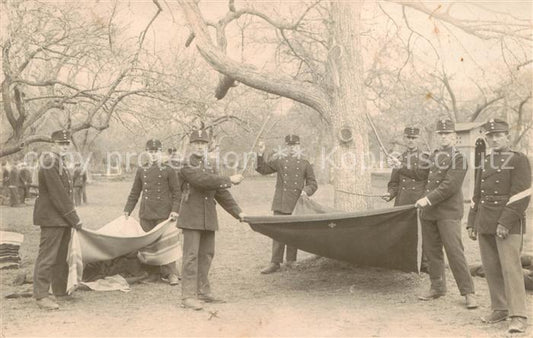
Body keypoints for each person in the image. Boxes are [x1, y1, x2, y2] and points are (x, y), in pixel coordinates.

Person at [467, 119, 531, 334]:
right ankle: (500, 308)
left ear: (508, 137)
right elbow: (477, 194)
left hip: (508, 223)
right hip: (485, 220)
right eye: (490, 136)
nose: (494, 139)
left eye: (498, 135)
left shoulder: (519, 160)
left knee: (511, 269)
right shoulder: (485, 160)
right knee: (491, 268)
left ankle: (518, 315)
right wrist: (471, 221)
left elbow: (522, 194)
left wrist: (505, 222)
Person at [177, 129, 245, 310]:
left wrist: (238, 213)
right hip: (191, 217)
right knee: (191, 256)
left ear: (208, 146)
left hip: (208, 217)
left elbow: (220, 192)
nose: (200, 146)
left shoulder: (211, 165)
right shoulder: (185, 164)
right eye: (197, 143)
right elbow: (203, 181)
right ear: (191, 146)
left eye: (203, 143)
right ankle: (188, 296)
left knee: (206, 255)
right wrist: (229, 178)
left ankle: (203, 292)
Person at [415, 119, 477, 309]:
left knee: (454, 252)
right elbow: (421, 177)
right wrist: (398, 163)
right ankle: (437, 287)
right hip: (429, 213)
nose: (443, 137)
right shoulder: (432, 156)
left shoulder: (459, 158)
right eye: (440, 134)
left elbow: (450, 186)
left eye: (447, 134)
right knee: (432, 252)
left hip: (448, 212)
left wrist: (428, 199)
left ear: (454, 137)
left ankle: (468, 293)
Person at [33, 129, 83, 310]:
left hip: (60, 218)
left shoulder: (59, 162)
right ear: (52, 144)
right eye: (60, 144)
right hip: (51, 218)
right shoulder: (49, 161)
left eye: (66, 143)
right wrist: (74, 218)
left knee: (61, 257)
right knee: (47, 257)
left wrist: (70, 218)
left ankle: (59, 290)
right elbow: (59, 195)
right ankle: (41, 296)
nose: (64, 147)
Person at [256, 134, 318, 274]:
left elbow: (313, 183)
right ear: (285, 147)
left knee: (294, 232)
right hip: (281, 201)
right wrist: (260, 153)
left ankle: (291, 261)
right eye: (289, 145)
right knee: (278, 232)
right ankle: (275, 262)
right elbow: (263, 170)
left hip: (296, 202)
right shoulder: (280, 161)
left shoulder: (305, 164)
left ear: (299, 146)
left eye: (295, 145)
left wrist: (306, 191)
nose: (292, 148)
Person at [123, 139, 181, 285]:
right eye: (151, 152)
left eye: (156, 151)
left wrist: (174, 211)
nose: (154, 155)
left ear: (161, 152)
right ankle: (151, 272)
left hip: (164, 213)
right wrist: (127, 210)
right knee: (147, 244)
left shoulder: (169, 170)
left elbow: (176, 193)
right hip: (146, 212)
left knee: (166, 243)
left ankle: (171, 273)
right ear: (147, 152)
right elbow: (135, 192)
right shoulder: (142, 170)